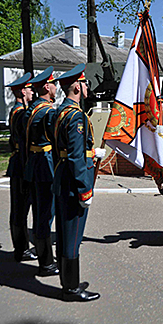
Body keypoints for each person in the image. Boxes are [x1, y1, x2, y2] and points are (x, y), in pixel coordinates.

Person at [52, 64, 106, 301]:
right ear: (76, 86)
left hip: (62, 178)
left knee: (65, 234)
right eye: (84, 83)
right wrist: (85, 190)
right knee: (73, 236)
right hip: (74, 183)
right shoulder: (76, 116)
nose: (86, 87)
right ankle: (71, 289)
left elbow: (67, 151)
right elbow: (75, 156)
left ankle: (67, 281)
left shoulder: (60, 112)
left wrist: (91, 153)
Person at [23, 66, 59, 277]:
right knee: (45, 216)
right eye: (53, 84)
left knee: (39, 213)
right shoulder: (48, 111)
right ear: (47, 86)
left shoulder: (31, 109)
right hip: (45, 168)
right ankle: (46, 263)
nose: (56, 88)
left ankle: (42, 254)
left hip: (34, 165)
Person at [5, 73, 37, 263]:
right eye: (29, 88)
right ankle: (21, 248)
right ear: (22, 91)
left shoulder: (18, 111)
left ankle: (21, 247)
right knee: (19, 209)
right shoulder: (19, 113)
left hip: (18, 163)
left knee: (20, 208)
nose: (32, 91)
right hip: (20, 165)